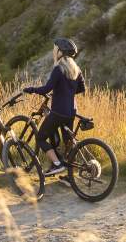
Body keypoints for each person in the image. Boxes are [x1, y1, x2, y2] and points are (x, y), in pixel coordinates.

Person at [23, 37, 85, 176]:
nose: (53, 51)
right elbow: (81, 89)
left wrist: (31, 89)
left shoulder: (59, 68)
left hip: (59, 112)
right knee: (68, 143)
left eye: (54, 49)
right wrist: (65, 93)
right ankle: (70, 177)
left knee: (40, 138)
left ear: (60, 52)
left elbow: (46, 89)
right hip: (71, 111)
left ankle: (57, 164)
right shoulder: (76, 69)